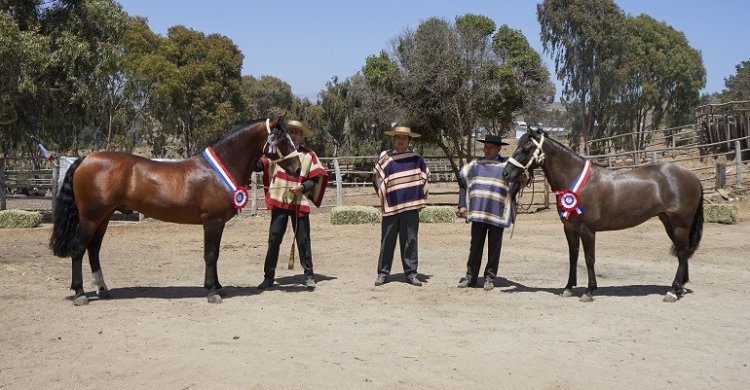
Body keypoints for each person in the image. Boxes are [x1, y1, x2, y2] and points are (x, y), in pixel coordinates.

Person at [256, 120, 329, 291]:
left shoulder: (309, 155)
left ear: (302, 136)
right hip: (280, 200)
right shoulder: (278, 151)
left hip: (299, 202)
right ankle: (269, 277)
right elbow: (261, 165)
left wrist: (303, 187)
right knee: (274, 239)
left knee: (303, 240)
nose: (294, 134)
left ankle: (309, 275)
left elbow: (316, 177)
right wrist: (250, 155)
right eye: (292, 132)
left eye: (297, 132)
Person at [372, 126, 429, 287]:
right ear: (394, 139)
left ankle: (411, 273)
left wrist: (419, 198)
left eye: (404, 138)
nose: (401, 141)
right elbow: (377, 178)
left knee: (410, 240)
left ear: (409, 140)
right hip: (391, 206)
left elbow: (424, 178)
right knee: (387, 240)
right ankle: (383, 273)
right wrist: (384, 196)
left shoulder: (416, 159)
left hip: (410, 207)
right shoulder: (386, 158)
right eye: (398, 138)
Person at [457, 134, 513, 291]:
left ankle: (489, 278)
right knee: (475, 246)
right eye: (485, 147)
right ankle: (470, 277)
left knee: (494, 247)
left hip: (497, 213)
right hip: (478, 212)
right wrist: (462, 204)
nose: (487, 150)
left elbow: (517, 184)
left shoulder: (507, 167)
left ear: (498, 149)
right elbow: (462, 183)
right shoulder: (474, 165)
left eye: (491, 147)